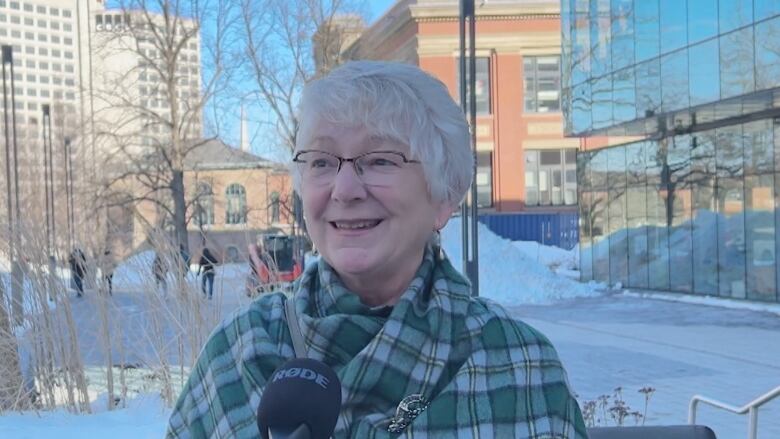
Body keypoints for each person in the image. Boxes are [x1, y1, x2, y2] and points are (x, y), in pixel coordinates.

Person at [167, 61, 586, 438]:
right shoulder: (239, 353)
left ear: (444, 196)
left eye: (381, 160)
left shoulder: (516, 364)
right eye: (321, 162)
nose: (345, 190)